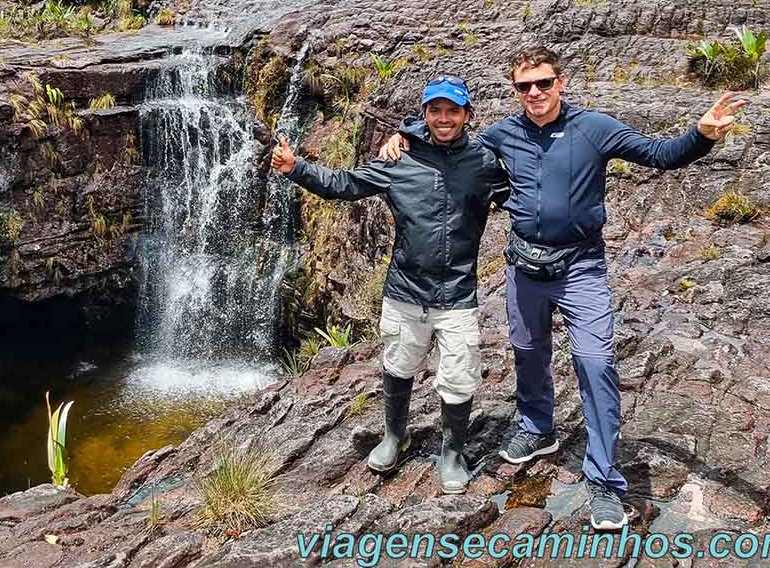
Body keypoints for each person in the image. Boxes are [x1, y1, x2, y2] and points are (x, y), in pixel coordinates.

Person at [378, 46, 745, 529]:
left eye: (543, 83)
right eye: (524, 86)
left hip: (581, 267)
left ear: (561, 82)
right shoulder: (502, 134)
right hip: (524, 267)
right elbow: (450, 138)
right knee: (528, 350)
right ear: (515, 91)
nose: (535, 93)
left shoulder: (595, 128)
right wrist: (403, 134)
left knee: (595, 364)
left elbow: (659, 154)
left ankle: (604, 482)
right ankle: (537, 427)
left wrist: (699, 136)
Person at [271, 75, 508, 493]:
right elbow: (344, 185)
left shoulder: (484, 163)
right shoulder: (398, 161)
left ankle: (452, 453)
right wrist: (296, 169)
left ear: (467, 115)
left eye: (453, 111)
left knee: (458, 376)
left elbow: (520, 199)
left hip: (457, 296)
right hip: (405, 291)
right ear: (424, 115)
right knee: (399, 366)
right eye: (435, 111)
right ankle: (395, 436)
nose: (444, 118)